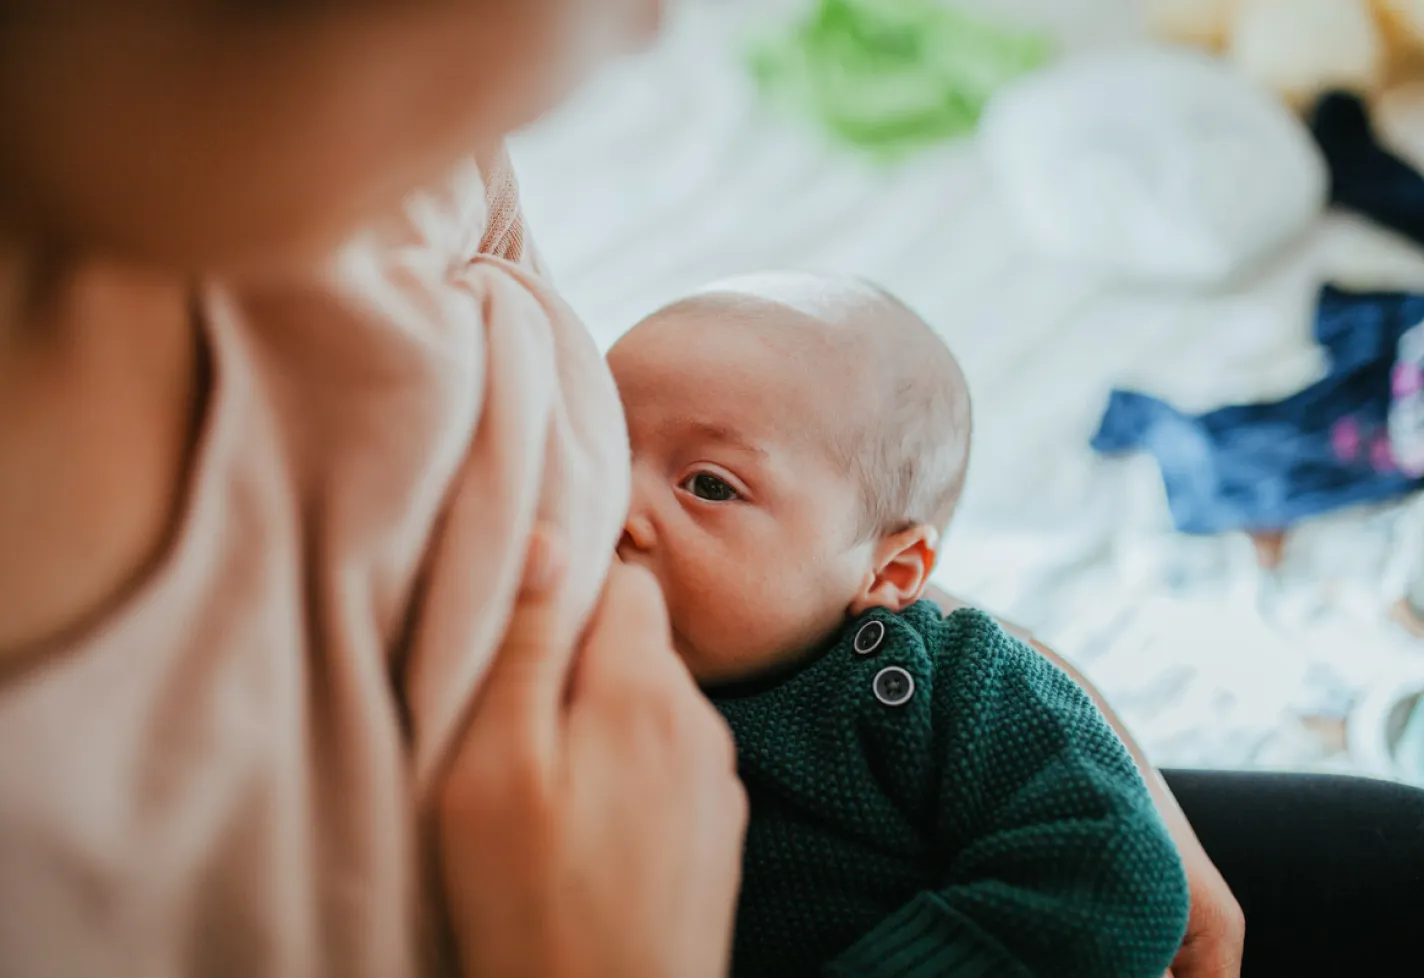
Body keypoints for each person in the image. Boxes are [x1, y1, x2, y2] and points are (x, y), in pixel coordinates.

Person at [0, 2, 1273, 976]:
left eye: (707, 481)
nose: (651, 26)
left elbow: (1070, 833)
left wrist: (1086, 749)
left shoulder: (403, 168)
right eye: (619, 439)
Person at [608, 273, 1191, 977]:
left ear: (889, 572)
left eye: (708, 485)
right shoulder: (544, 661)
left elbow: (1108, 869)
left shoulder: (951, 687)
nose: (609, 506)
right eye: (597, 450)